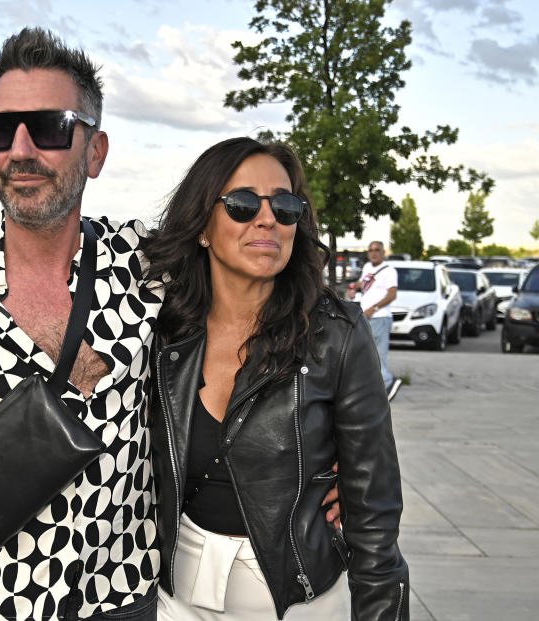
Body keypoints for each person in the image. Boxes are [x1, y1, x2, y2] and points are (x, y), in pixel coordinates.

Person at [0, 29, 341, 621]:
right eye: (0, 130)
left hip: (128, 597)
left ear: (96, 151)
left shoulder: (149, 266)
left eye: (51, 128)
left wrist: (321, 452)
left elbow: (262, 302)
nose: (21, 150)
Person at [144, 138, 408, 621]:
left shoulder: (337, 334)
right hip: (172, 599)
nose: (267, 219)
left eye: (285, 206)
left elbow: (375, 510)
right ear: (202, 226)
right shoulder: (158, 329)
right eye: (242, 204)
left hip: (300, 602)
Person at [348, 241, 401, 401]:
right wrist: (353, 289)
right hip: (366, 317)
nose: (373, 253)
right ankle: (374, 390)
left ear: (383, 252)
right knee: (366, 355)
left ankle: (388, 384)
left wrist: (374, 309)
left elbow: (392, 294)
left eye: (377, 250)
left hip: (380, 317)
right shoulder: (367, 268)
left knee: (379, 354)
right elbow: (364, 284)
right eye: (370, 250)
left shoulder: (389, 271)